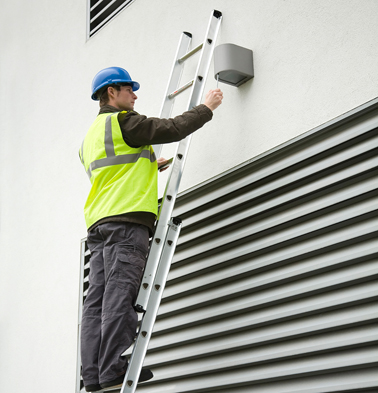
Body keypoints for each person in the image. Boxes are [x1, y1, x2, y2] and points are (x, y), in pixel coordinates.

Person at [79, 66, 223, 392]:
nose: (135, 95)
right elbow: (171, 128)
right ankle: (114, 367)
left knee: (96, 303)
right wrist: (207, 107)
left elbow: (114, 172)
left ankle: (94, 375)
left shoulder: (90, 136)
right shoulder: (124, 121)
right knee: (119, 297)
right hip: (127, 225)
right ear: (112, 92)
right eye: (130, 89)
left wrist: (147, 164)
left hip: (99, 225)